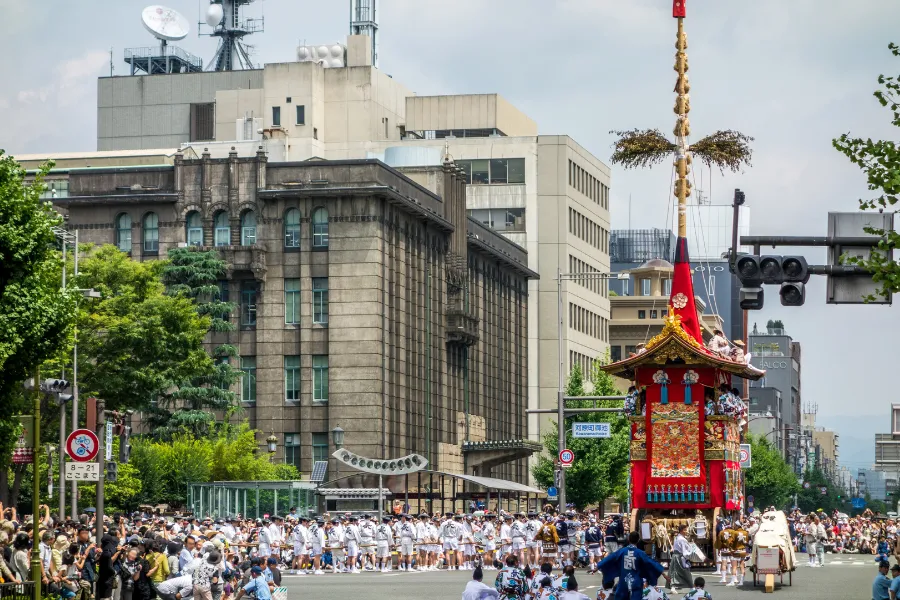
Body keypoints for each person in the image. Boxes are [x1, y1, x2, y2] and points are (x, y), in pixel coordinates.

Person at [597, 532, 668, 600]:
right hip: (636, 581)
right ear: (638, 540)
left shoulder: (622, 551)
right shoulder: (640, 553)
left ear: (628, 539)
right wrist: (663, 573)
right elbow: (651, 562)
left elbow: (610, 558)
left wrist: (597, 567)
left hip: (623, 581)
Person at [668, 524, 692, 594]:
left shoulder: (677, 538)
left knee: (674, 572)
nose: (686, 531)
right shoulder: (682, 539)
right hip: (681, 557)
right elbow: (684, 551)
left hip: (675, 556)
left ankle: (673, 587)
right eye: (685, 530)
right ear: (682, 531)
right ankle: (691, 588)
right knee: (686, 572)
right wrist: (689, 556)